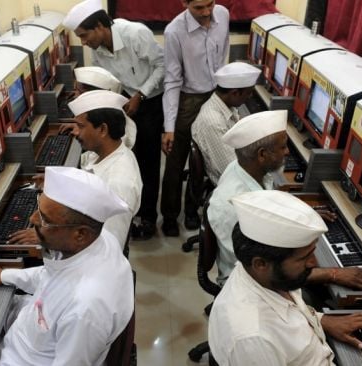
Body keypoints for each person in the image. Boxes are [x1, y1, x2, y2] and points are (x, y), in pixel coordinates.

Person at [0, 166, 134, 365]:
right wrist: (4, 276)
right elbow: (51, 275)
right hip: (30, 329)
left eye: (45, 220)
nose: (32, 220)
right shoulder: (99, 240)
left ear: (80, 234)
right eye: (39, 209)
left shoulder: (85, 309)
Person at [208, 190, 362, 365]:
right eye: (304, 258)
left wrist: (322, 321)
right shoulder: (254, 339)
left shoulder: (263, 277)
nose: (313, 263)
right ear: (260, 264)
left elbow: (292, 312)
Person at [208, 110, 362, 289]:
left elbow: (269, 204)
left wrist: (297, 214)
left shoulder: (245, 167)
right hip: (248, 285)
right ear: (262, 155)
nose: (287, 152)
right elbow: (263, 273)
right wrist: (333, 274)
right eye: (282, 147)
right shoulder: (234, 206)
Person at [64, 0, 164, 240]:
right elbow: (106, 80)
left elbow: (162, 67)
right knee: (127, 154)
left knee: (149, 162)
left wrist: (141, 94)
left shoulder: (136, 34)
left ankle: (148, 218)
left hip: (149, 99)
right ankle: (126, 215)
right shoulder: (97, 49)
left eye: (84, 35)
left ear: (100, 26)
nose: (83, 42)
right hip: (123, 99)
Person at [10, 91, 142, 249]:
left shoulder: (119, 183)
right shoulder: (103, 153)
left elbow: (109, 248)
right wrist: (59, 184)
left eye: (80, 126)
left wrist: (46, 237)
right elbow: (90, 181)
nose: (76, 131)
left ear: (102, 130)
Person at [160, 0, 230, 236]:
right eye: (198, 7)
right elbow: (171, 79)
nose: (207, 12)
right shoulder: (174, 31)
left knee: (204, 159)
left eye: (209, 4)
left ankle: (192, 210)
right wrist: (168, 127)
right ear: (184, 3)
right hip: (188, 98)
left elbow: (223, 57)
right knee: (175, 160)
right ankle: (169, 216)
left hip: (216, 94)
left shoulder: (223, 15)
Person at [191, 61, 261, 184]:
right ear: (234, 93)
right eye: (248, 93)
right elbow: (235, 173)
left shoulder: (226, 107)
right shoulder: (213, 123)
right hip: (232, 187)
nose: (250, 97)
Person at [63, 66, 137, 149]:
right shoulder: (110, 116)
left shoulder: (113, 134)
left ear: (95, 95)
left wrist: (83, 130)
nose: (75, 96)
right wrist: (83, 127)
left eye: (78, 91)